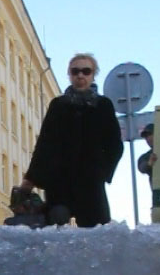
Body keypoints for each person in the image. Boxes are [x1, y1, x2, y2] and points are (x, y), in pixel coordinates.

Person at [21, 53, 123, 227]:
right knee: (56, 231)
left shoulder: (103, 105)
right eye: (75, 71)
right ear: (69, 74)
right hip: (59, 183)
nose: (80, 76)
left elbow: (115, 145)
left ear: (93, 75)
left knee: (97, 234)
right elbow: (44, 144)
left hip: (91, 184)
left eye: (86, 71)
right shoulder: (58, 105)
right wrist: (30, 180)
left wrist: (102, 172)